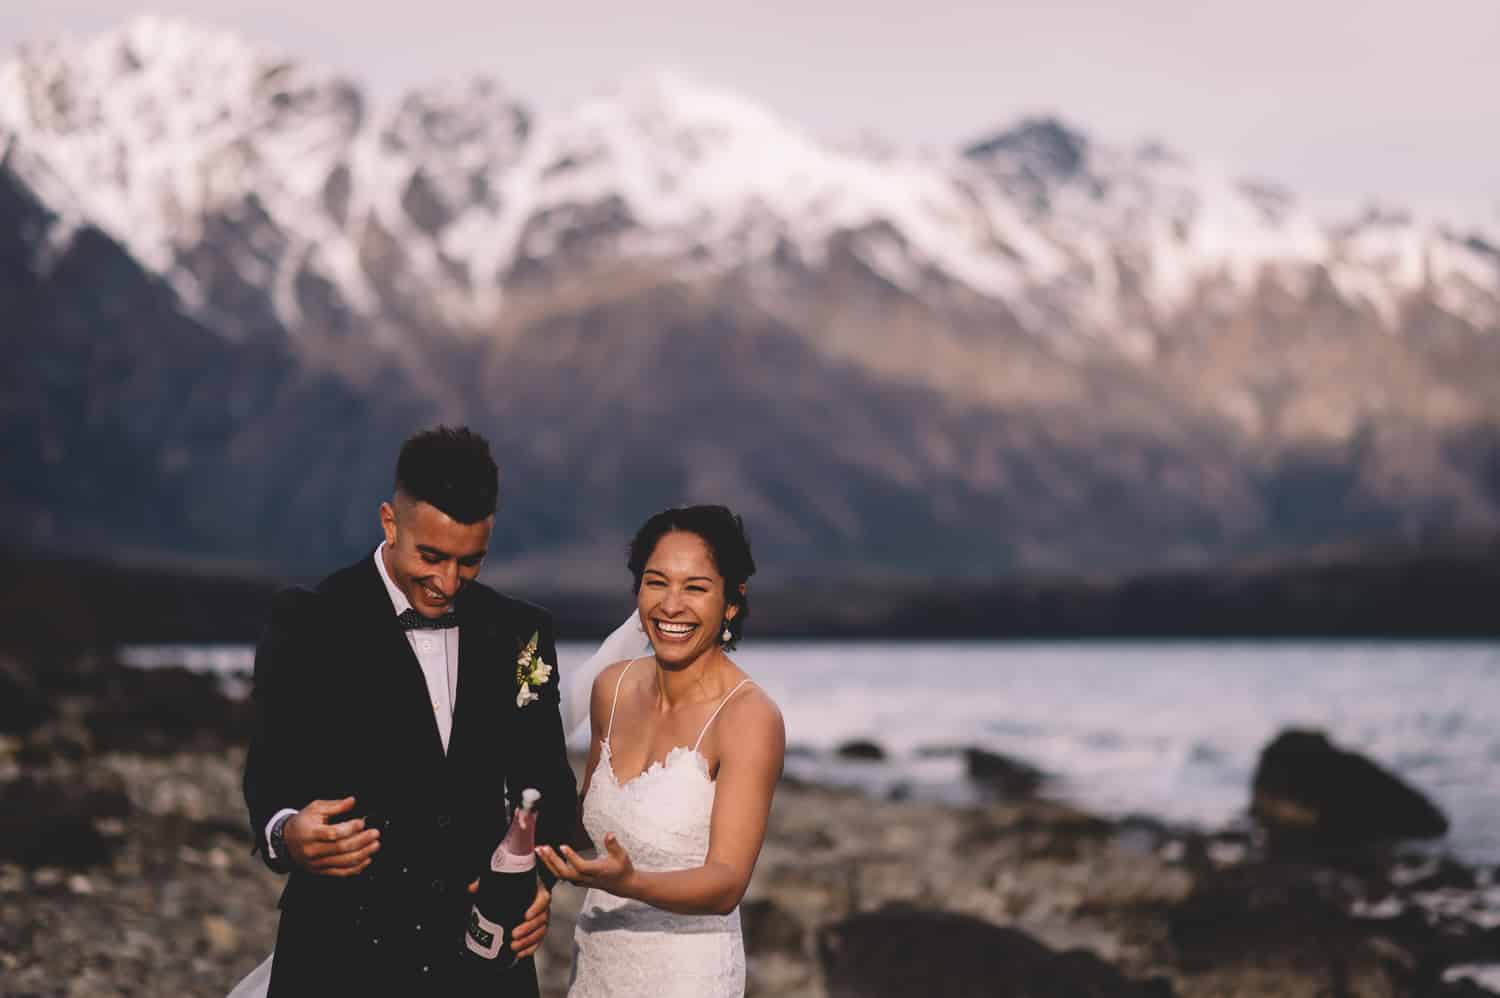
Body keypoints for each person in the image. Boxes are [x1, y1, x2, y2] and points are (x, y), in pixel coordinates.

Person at [236, 426, 577, 997]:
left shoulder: (522, 634)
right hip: (341, 957)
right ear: (389, 523)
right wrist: (288, 833)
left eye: (470, 562)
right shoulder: (309, 622)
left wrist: (538, 882)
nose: (447, 582)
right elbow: (269, 778)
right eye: (431, 556)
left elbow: (548, 787)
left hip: (482, 962)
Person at [539, 505, 786, 998]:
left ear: (731, 603)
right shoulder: (611, 688)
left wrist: (629, 882)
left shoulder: (749, 718)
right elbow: (583, 822)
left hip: (687, 975)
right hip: (598, 961)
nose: (671, 606)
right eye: (657, 583)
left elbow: (726, 883)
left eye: (695, 588)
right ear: (638, 592)